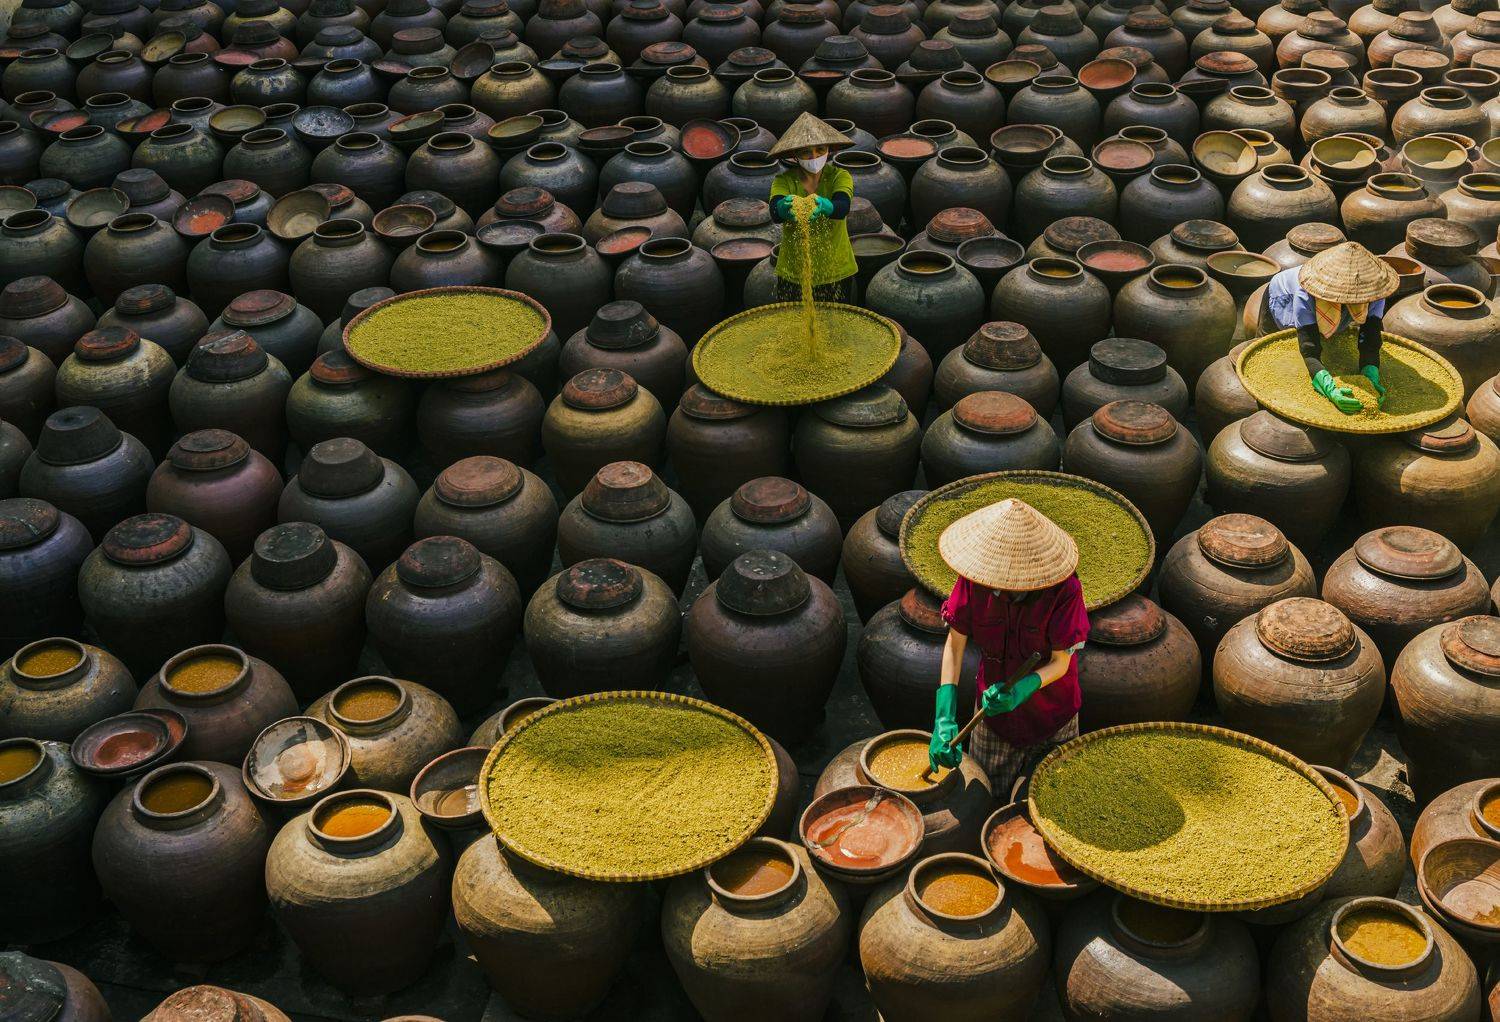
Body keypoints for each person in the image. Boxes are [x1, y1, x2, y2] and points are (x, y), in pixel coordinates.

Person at [927, 498, 1089, 797]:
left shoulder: (1065, 590)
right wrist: (944, 715)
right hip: (994, 716)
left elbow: (1060, 662)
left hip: (1053, 716)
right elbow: (955, 643)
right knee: (986, 797)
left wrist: (1022, 689)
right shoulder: (974, 580)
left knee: (1052, 799)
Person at [1263, 241, 1400, 415]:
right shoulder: (1304, 294)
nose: (1354, 299)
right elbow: (1309, 349)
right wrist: (1329, 388)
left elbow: (1371, 336)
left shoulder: (1374, 291)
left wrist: (1370, 372)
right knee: (1277, 349)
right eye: (1348, 297)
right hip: (1283, 296)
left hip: (1326, 301)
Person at [766, 112, 858, 303]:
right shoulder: (784, 180)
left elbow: (843, 206)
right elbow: (775, 211)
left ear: (828, 150)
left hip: (835, 270)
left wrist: (827, 206)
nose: (814, 156)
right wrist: (785, 208)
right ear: (795, 156)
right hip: (794, 271)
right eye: (806, 152)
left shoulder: (839, 176)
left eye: (820, 149)